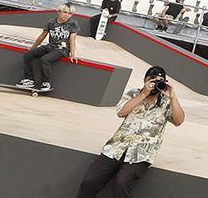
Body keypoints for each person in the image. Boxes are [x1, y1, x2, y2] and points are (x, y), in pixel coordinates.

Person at [76, 66, 185, 198]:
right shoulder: (134, 94)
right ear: (144, 80)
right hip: (116, 148)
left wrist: (173, 98)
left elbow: (179, 121)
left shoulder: (167, 102)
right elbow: (121, 112)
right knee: (90, 180)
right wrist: (143, 94)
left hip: (140, 154)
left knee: (122, 183)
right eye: (152, 79)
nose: (155, 83)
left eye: (160, 81)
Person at [19, 3, 79, 91]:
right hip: (50, 46)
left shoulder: (73, 23)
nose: (67, 15)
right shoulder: (51, 22)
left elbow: (72, 40)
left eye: (70, 14)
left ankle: (46, 83)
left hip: (62, 49)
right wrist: (33, 48)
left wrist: (73, 54)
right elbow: (42, 36)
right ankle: (29, 80)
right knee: (28, 55)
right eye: (65, 12)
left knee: (45, 59)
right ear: (59, 12)